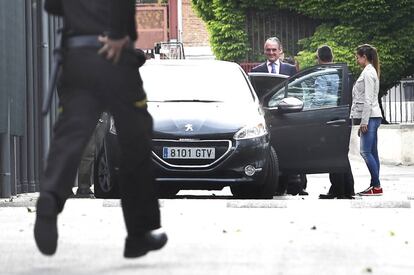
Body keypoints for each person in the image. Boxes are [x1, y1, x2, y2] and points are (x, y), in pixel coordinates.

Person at [34, 0, 167, 258]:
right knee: (135, 139)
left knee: (71, 133)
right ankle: (139, 232)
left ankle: (50, 197)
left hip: (77, 56)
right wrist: (117, 33)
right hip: (115, 55)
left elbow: (52, 6)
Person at [252, 37, 307, 196]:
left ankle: (293, 184)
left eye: (274, 50)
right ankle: (273, 184)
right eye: (268, 50)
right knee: (269, 152)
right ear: (264, 51)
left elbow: (298, 92)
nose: (271, 53)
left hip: (287, 117)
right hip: (266, 119)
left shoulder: (290, 70)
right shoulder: (256, 70)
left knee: (288, 150)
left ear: (280, 51)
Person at [314, 45, 355, 199]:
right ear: (332, 57)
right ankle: (347, 188)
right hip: (344, 116)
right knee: (342, 154)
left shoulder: (321, 75)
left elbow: (319, 100)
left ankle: (339, 189)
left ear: (318, 58)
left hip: (328, 117)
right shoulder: (340, 73)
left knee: (332, 154)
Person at [351, 44, 383, 196]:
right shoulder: (370, 71)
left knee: (365, 151)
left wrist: (364, 122)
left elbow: (368, 99)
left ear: (364, 57)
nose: (357, 60)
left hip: (371, 117)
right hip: (373, 116)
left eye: (358, 57)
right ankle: (375, 186)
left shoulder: (368, 73)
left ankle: (376, 186)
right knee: (372, 152)